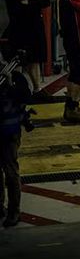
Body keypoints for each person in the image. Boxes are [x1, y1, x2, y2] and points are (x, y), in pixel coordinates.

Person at [3, 0, 51, 96]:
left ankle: (37, 89)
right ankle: (16, 88)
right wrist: (34, 3)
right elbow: (15, 9)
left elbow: (46, 1)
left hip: (35, 27)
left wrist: (29, 3)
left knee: (35, 58)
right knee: (17, 59)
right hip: (19, 28)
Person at [0, 59, 30, 228]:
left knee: (11, 173)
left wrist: (9, 82)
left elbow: (25, 96)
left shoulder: (15, 77)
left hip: (9, 132)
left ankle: (14, 211)